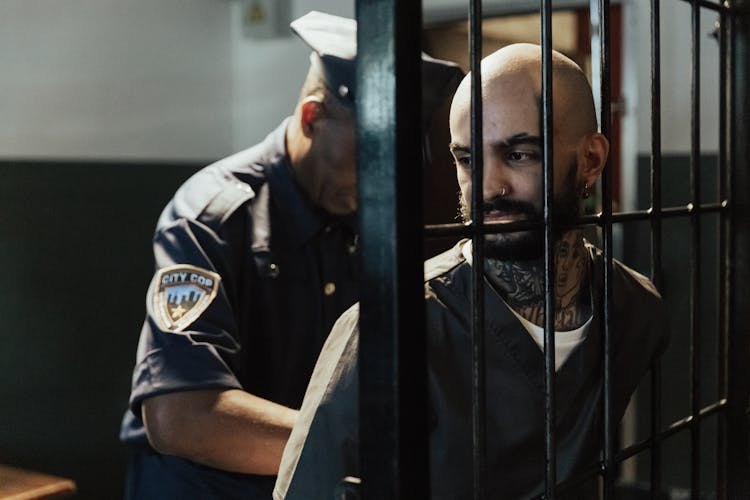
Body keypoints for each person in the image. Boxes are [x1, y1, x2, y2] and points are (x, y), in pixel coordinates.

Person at [273, 43, 670, 499]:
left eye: (519, 154)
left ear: (592, 161)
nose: (488, 186)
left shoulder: (635, 314)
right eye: (467, 159)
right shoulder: (386, 330)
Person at [118, 10, 463, 499]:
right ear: (312, 117)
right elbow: (180, 414)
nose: (384, 176)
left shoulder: (371, 215)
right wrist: (364, 445)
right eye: (370, 151)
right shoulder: (212, 217)